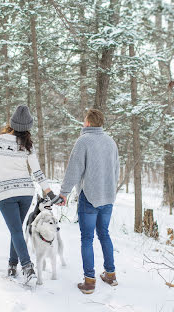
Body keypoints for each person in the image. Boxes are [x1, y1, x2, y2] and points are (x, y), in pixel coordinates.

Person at [0, 105, 63, 285]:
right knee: (17, 231)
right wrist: (51, 193)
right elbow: (37, 173)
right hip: (26, 192)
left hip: (6, 194)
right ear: (27, 126)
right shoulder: (28, 145)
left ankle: (27, 267)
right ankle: (13, 265)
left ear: (12, 123)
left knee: (15, 230)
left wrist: (0, 184)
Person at [58, 108, 119, 294]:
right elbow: (116, 171)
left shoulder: (83, 141)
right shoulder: (111, 142)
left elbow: (73, 170)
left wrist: (64, 193)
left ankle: (89, 281)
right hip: (107, 197)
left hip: (90, 197)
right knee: (104, 234)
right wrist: (111, 192)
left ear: (88, 123)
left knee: (87, 238)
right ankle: (110, 275)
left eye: (84, 120)